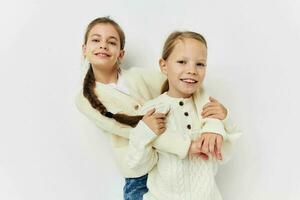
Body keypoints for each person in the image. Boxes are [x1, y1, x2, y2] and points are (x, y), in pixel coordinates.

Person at [75, 17, 231, 200]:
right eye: (96, 40)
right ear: (84, 49)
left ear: (121, 54)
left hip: (168, 165)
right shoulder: (84, 99)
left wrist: (215, 120)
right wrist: (185, 146)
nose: (103, 46)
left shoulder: (138, 76)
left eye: (111, 42)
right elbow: (127, 129)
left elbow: (186, 84)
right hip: (138, 172)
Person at [127, 31, 242, 200]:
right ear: (164, 65)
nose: (192, 70)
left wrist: (224, 120)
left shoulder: (208, 109)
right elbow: (138, 164)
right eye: (182, 62)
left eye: (200, 64)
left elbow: (224, 155)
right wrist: (144, 131)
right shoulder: (151, 110)